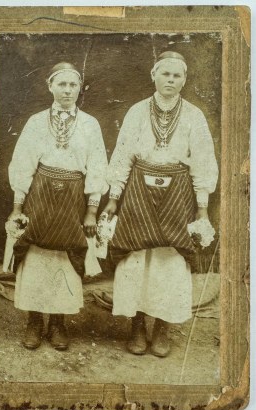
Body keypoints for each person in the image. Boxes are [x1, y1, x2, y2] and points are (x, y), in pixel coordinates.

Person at [104, 51, 218, 357]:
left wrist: (203, 208)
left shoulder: (193, 115)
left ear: (184, 80)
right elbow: (122, 155)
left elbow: (204, 163)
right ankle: (137, 327)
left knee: (171, 260)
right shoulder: (137, 112)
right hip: (139, 190)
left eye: (177, 75)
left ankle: (163, 328)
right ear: (154, 75)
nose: (170, 80)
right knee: (136, 257)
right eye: (165, 74)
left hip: (178, 192)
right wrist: (114, 197)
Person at [8, 62, 108, 350]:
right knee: (35, 257)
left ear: (80, 89)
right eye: (61, 84)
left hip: (73, 200)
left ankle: (58, 324)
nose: (67, 90)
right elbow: (23, 163)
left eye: (73, 85)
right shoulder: (36, 121)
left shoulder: (90, 124)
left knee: (66, 260)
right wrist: (18, 205)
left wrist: (91, 209)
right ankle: (34, 321)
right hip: (39, 195)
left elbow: (98, 167)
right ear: (50, 86)